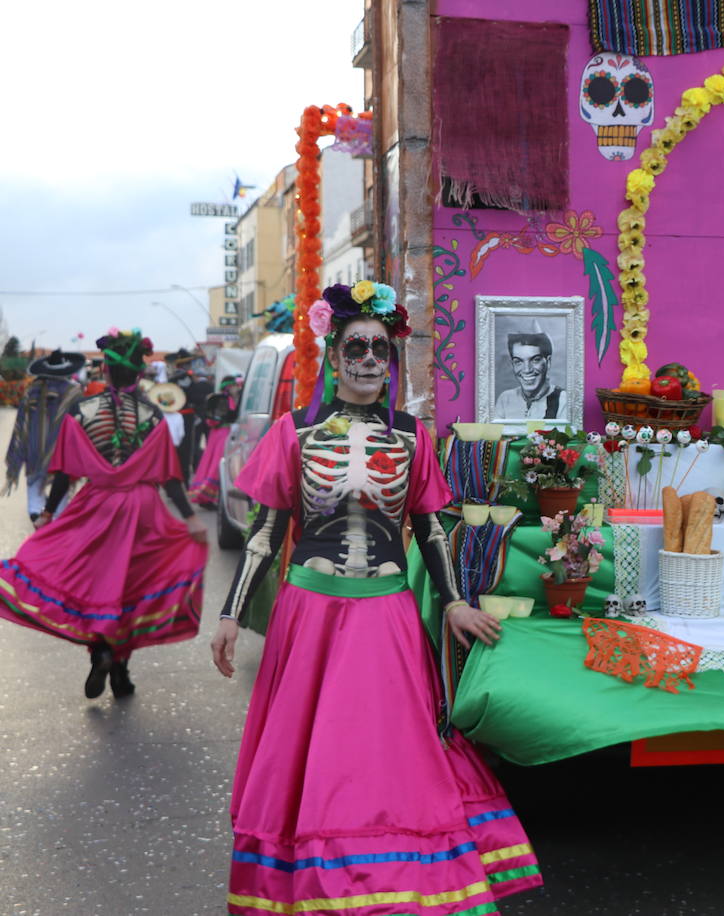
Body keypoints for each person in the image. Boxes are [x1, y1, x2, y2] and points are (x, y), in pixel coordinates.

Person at [211, 281, 541, 915]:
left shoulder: (414, 437)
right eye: (355, 348)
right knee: (312, 752)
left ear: (391, 362)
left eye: (380, 351)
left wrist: (452, 602)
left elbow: (431, 524)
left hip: (384, 612)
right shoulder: (294, 431)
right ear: (333, 356)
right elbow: (266, 529)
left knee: (388, 748)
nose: (368, 361)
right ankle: (312, 883)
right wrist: (229, 615)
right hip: (309, 612)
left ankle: (391, 879)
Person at [0, 329, 208, 699]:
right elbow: (171, 476)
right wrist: (190, 518)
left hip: (97, 504)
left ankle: (100, 651)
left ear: (107, 372)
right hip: (143, 509)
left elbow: (65, 473)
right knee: (132, 588)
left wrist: (48, 513)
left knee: (98, 584)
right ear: (140, 373)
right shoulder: (153, 414)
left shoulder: (81, 411)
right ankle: (120, 672)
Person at [4, 349, 86, 521]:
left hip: (34, 450)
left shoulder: (32, 390)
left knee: (34, 495)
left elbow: (22, 424)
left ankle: (37, 528)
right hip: (62, 454)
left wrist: (21, 448)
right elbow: (80, 425)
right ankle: (53, 533)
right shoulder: (74, 393)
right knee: (60, 498)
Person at [189, 378, 240, 507]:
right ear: (228, 387)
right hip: (223, 433)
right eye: (234, 385)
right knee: (217, 463)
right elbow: (221, 418)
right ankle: (208, 496)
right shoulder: (223, 400)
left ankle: (208, 496)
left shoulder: (222, 399)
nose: (236, 388)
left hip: (217, 434)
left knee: (212, 462)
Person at [493, 331, 565, 420]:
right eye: (518, 361)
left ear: (548, 362)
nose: (527, 370)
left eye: (535, 360)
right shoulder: (505, 399)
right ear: (513, 364)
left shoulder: (563, 399)